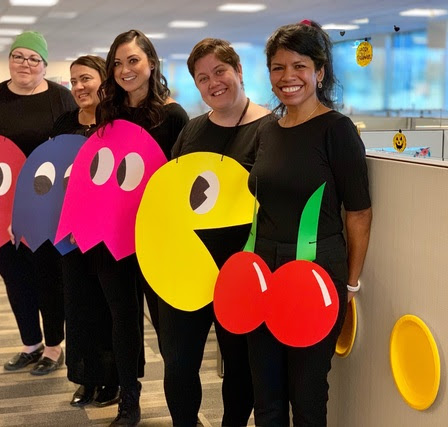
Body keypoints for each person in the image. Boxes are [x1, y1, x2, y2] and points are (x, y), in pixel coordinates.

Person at [247, 21, 372, 426]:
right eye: (278, 68)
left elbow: (358, 212)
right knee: (265, 395)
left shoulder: (337, 130)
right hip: (262, 269)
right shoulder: (267, 129)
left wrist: (350, 283)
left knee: (307, 396)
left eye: (298, 66)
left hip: (317, 271)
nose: (288, 78)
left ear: (319, 71)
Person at [163, 38, 272, 427]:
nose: (214, 83)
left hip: (241, 269)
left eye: (220, 71)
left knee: (239, 363)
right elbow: (173, 197)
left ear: (239, 71)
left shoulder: (271, 129)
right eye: (203, 78)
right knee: (178, 361)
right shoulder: (192, 131)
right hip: (190, 268)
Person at [96, 29, 189, 426]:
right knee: (122, 318)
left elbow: (180, 180)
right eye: (116, 63)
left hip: (157, 235)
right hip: (113, 233)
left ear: (151, 63)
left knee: (168, 327)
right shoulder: (108, 114)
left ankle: (183, 406)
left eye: (133, 60)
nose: (124, 70)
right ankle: (129, 400)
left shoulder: (172, 115)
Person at [0, 31, 76, 375]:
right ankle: (29, 343)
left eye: (34, 59)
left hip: (44, 206)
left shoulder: (61, 99)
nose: (25, 64)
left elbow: (72, 153)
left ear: (44, 65)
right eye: (19, 56)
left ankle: (52, 346)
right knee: (13, 274)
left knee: (46, 276)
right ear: (9, 60)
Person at [51, 55, 122, 408]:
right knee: (77, 305)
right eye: (74, 81)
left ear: (103, 81)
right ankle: (86, 377)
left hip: (109, 230)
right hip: (70, 232)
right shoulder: (64, 122)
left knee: (108, 307)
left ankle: (112, 380)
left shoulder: (118, 122)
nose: (79, 87)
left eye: (86, 79)